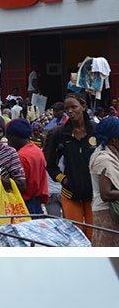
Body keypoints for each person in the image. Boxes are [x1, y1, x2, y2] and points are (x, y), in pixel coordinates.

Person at [45, 94, 95, 236]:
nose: (70, 111)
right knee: (76, 237)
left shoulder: (96, 130)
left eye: (74, 107)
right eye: (67, 109)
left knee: (95, 236)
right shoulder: (58, 134)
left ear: (83, 106)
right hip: (70, 193)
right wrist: (63, 179)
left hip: (95, 195)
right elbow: (50, 165)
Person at [5, 118, 49, 215]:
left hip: (24, 205)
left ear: (14, 137)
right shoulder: (36, 150)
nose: (8, 143)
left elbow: (21, 186)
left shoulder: (21, 156)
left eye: (8, 138)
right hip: (36, 203)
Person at [89, 116, 119, 247]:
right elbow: (106, 194)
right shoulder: (104, 159)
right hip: (107, 214)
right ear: (114, 139)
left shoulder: (110, 154)